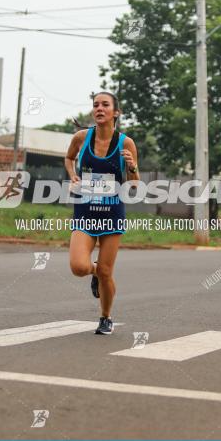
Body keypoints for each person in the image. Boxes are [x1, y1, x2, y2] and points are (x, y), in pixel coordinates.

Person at [65, 92, 139, 335]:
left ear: (115, 112)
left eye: (105, 105)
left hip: (112, 213)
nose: (99, 108)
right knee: (78, 267)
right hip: (85, 211)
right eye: (96, 105)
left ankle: (105, 317)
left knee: (108, 272)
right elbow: (68, 158)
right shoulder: (81, 138)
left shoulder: (125, 144)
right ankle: (94, 270)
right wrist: (72, 174)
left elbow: (134, 185)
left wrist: (132, 167)